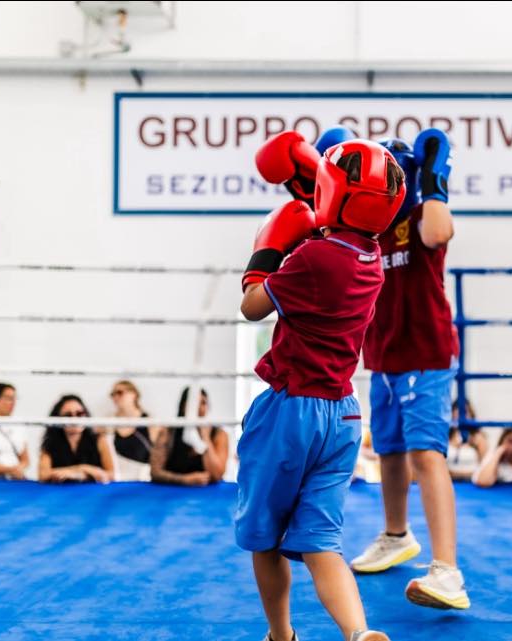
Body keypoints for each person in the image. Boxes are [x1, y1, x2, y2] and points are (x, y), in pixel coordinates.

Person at [236, 135, 405, 641]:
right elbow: (340, 224)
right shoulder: (372, 259)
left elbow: (252, 306)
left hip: (291, 412)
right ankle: (357, 632)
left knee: (264, 538)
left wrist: (268, 248)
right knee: (321, 543)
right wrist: (316, 195)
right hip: (344, 417)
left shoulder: (311, 257)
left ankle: (281, 635)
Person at [348, 129, 470, 611]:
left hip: (425, 352)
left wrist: (433, 177)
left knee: (426, 453)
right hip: (383, 354)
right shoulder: (368, 228)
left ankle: (447, 570)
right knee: (391, 451)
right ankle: (397, 534)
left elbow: (439, 232)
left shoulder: (421, 216)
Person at [150, 387, 229, 486]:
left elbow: (217, 475)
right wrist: (184, 480)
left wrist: (206, 439)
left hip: (208, 495)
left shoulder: (219, 434)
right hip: (173, 493)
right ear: (184, 406)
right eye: (194, 403)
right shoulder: (168, 432)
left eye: (203, 403)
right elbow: (155, 472)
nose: (199, 408)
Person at [38, 394, 114, 484]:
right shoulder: (51, 442)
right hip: (62, 494)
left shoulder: (99, 440)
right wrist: (86, 473)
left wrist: (80, 470)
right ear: (58, 419)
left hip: (93, 494)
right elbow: (43, 475)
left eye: (80, 414)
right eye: (68, 415)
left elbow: (111, 475)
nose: (75, 419)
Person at [108, 380, 155, 481]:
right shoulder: (107, 424)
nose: (116, 397)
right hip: (117, 482)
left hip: (144, 481)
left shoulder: (151, 423)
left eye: (120, 392)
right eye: (113, 394)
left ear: (134, 394)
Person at [446, 399, 488, 482]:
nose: (462, 414)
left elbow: (485, 467)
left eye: (466, 411)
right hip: (448, 482)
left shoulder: (478, 438)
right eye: (458, 410)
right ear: (452, 413)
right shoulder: (444, 437)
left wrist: (456, 474)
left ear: (471, 414)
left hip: (471, 484)